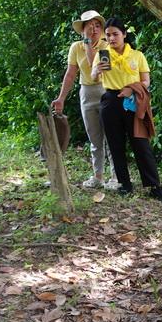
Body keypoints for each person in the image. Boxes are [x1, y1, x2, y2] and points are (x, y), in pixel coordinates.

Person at [90, 17, 162, 200]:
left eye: (115, 34)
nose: (111, 39)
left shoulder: (137, 56)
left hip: (132, 101)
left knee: (141, 143)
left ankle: (154, 186)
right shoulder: (102, 54)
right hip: (110, 100)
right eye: (108, 35)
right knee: (115, 144)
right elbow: (94, 78)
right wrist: (97, 71)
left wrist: (131, 89)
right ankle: (124, 184)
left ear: (124, 34)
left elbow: (146, 81)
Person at [51, 10, 119, 190]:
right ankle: (98, 176)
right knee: (94, 137)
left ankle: (115, 176)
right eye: (90, 26)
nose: (94, 29)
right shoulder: (75, 47)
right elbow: (71, 73)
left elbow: (95, 69)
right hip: (86, 93)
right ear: (82, 29)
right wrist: (61, 98)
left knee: (111, 136)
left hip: (105, 91)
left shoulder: (107, 46)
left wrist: (89, 44)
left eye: (98, 26)